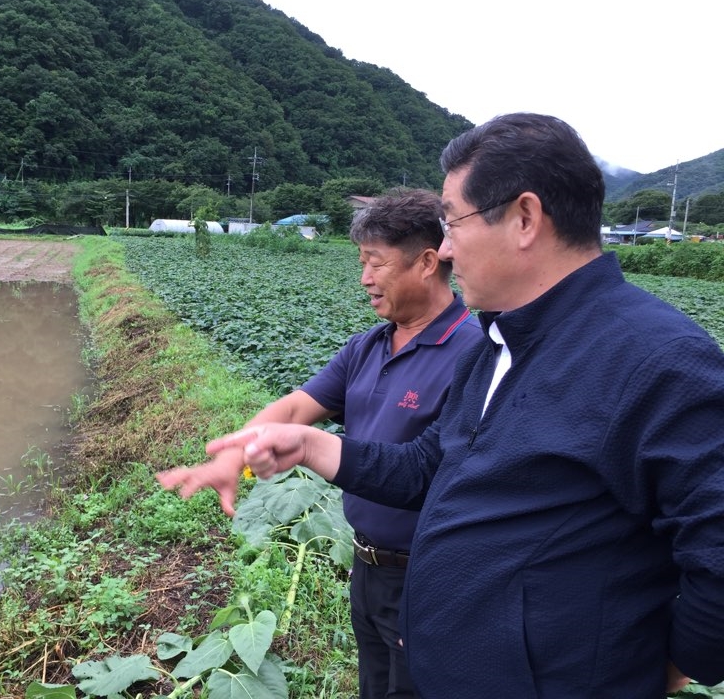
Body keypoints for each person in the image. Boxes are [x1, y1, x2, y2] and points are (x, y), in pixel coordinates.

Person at [159, 113, 724, 698]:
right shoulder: (500, 343)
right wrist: (308, 443)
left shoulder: (657, 359)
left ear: (525, 219)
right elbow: (431, 467)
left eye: (453, 222)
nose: (447, 246)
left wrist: (662, 665)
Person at [159, 189, 480, 699]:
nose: (365, 279)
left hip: (428, 577)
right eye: (361, 263)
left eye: (376, 264)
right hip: (366, 567)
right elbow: (294, 408)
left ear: (425, 262)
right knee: (374, 686)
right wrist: (234, 455)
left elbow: (427, 471)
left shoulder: (474, 353)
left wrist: (309, 447)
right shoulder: (369, 345)